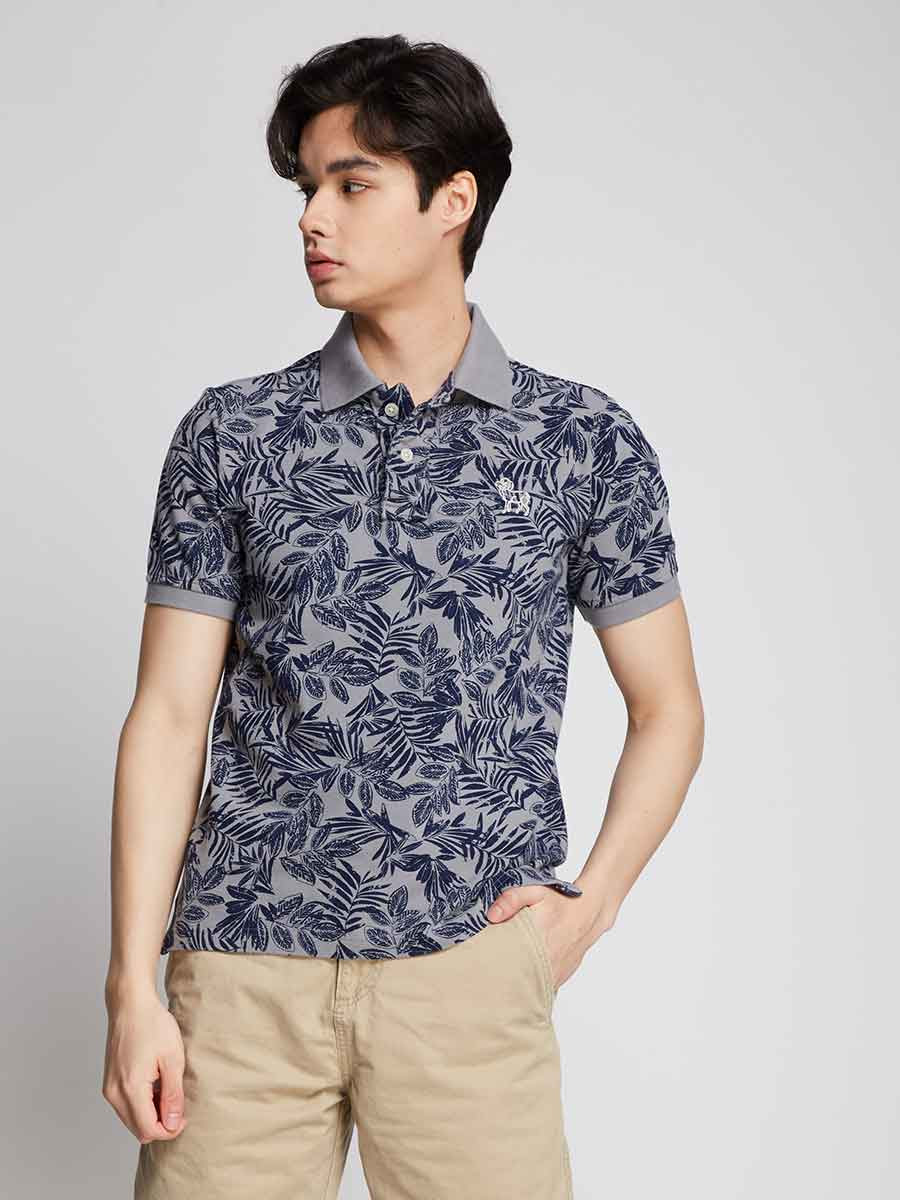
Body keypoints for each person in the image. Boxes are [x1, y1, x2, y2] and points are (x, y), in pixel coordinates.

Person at [103, 33, 704, 1200]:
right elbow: (167, 716)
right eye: (306, 187)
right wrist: (132, 985)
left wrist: (588, 911)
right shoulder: (233, 434)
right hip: (242, 976)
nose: (312, 218)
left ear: (453, 202)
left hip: (468, 980)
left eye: (352, 183)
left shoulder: (582, 441)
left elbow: (669, 708)